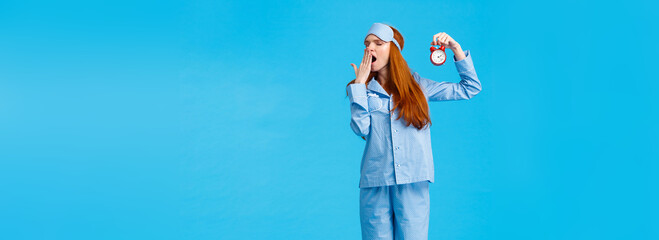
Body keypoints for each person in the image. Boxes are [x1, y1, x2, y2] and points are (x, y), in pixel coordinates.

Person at [345, 22, 482, 240]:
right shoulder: (362, 91)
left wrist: (456, 49)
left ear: (393, 50)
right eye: (366, 44)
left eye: (378, 43)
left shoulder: (419, 87)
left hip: (413, 181)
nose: (369, 48)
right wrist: (359, 88)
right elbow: (360, 128)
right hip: (375, 182)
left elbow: (470, 88)